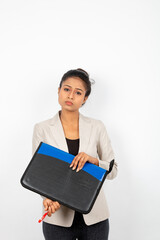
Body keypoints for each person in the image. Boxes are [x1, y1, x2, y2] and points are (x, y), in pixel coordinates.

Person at [32, 68, 118, 240]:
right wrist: (47, 198)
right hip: (57, 219)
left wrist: (93, 161)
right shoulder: (41, 129)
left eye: (78, 92)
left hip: (95, 218)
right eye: (66, 89)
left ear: (84, 98)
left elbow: (113, 170)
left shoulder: (97, 127)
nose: (70, 96)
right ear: (59, 91)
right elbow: (38, 174)